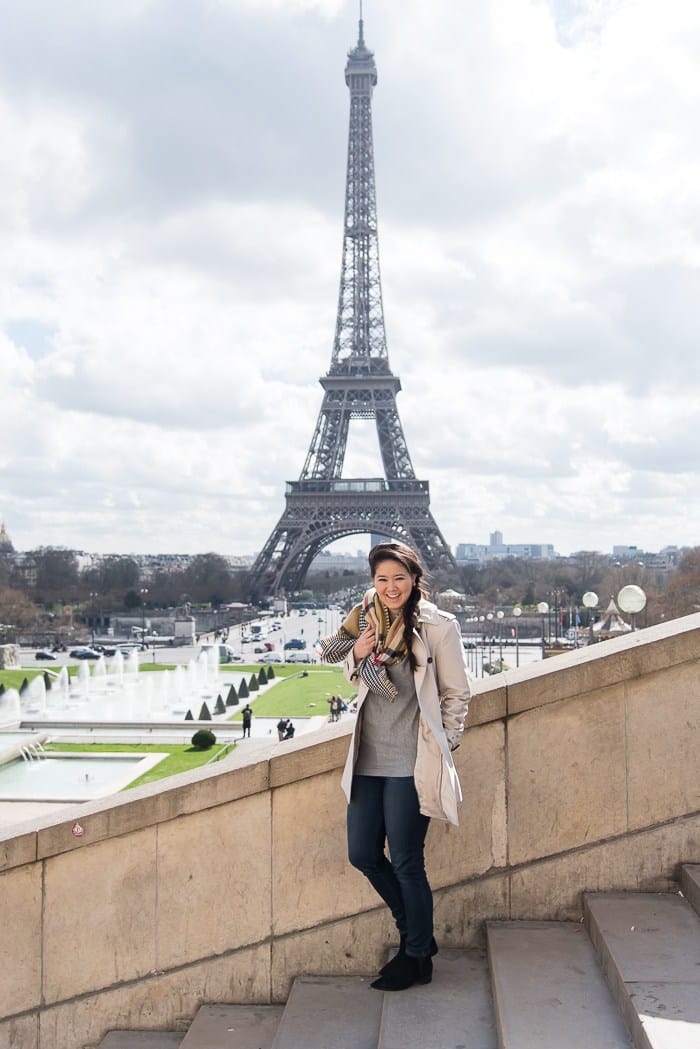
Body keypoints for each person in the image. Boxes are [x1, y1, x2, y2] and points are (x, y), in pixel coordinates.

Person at [318, 541, 470, 992]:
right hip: (368, 757)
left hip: (412, 761)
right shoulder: (366, 618)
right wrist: (359, 652)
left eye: (399, 578)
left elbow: (456, 693)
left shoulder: (439, 627)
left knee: (406, 862)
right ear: (373, 582)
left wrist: (445, 744)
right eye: (382, 579)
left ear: (414, 579)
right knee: (363, 854)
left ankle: (416, 954)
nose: (390, 587)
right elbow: (350, 673)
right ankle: (416, 935)